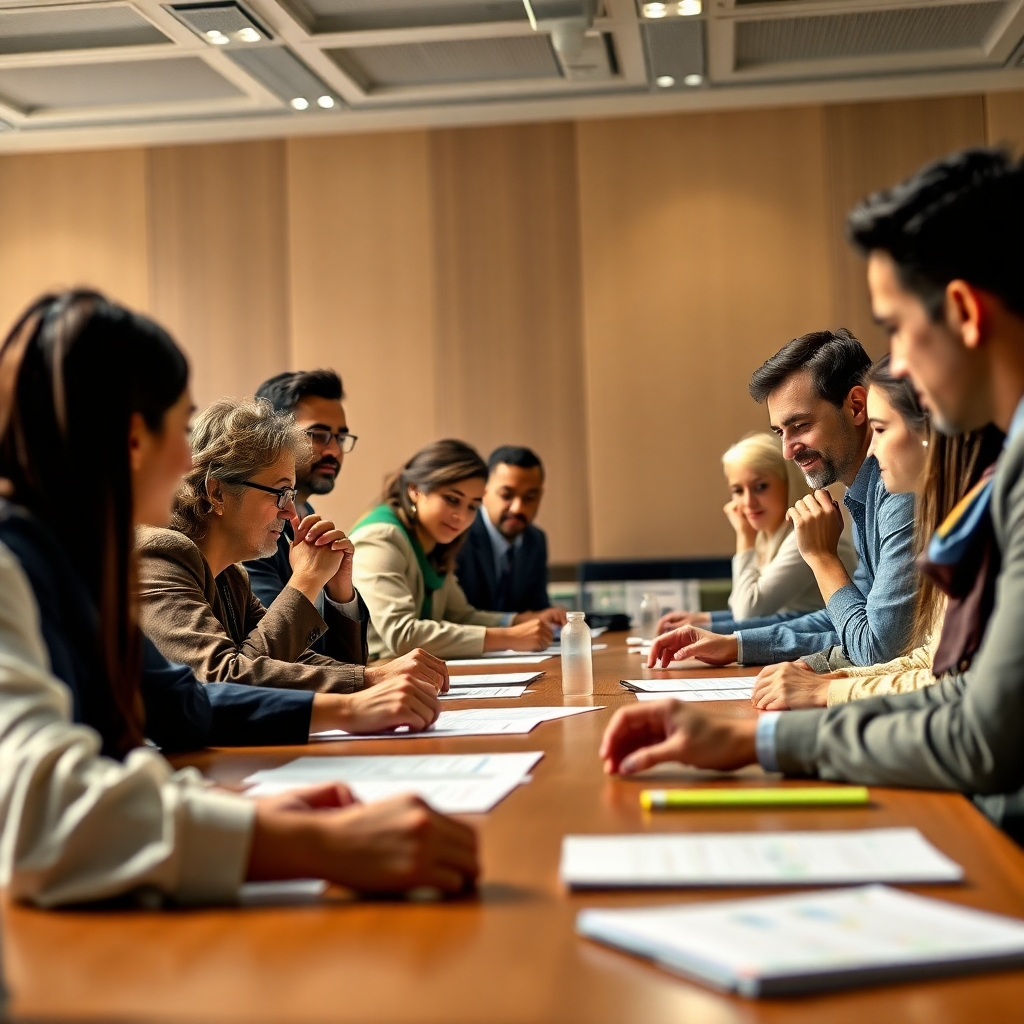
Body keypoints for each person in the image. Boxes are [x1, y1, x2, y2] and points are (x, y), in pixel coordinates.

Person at [0, 291, 478, 908]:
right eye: (181, 427)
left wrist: (235, 809)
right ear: (131, 439)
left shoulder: (80, 561)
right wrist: (306, 843)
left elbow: (181, 702)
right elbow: (43, 818)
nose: (186, 460)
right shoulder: (18, 558)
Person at [600, 147, 1024, 841]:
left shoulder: (965, 480)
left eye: (896, 328)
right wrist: (742, 651)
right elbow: (951, 684)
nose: (901, 368)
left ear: (963, 312)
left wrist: (765, 741)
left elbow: (968, 721)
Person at [138, 397, 447, 733]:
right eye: (281, 493)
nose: (290, 513)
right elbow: (222, 678)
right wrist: (308, 579)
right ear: (217, 493)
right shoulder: (160, 554)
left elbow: (289, 666)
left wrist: (338, 590)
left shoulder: (230, 575)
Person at [648, 328, 917, 669]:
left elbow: (876, 648)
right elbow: (845, 621)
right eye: (780, 433)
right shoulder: (865, 494)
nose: (788, 452)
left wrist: (821, 557)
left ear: (856, 406)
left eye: (801, 426)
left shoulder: (900, 493)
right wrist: (736, 644)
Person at [350, 440, 564, 660]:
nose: (461, 516)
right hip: (371, 678)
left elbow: (460, 615)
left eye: (472, 506)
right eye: (452, 500)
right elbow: (403, 634)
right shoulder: (381, 537)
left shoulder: (433, 541)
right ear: (414, 489)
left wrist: (518, 621)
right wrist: (508, 637)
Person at [657, 433, 857, 633]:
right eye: (738, 491)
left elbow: (748, 612)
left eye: (760, 487)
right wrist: (703, 619)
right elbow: (741, 607)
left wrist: (744, 538)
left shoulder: (806, 534)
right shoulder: (769, 536)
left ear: (787, 483)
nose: (748, 503)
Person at [245, 369, 358, 656]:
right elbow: (278, 652)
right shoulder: (249, 528)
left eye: (340, 438)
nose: (334, 450)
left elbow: (349, 659)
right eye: (319, 435)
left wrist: (340, 595)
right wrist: (311, 575)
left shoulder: (308, 516)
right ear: (273, 437)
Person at [455, 446, 565, 623]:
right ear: (483, 491)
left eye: (529, 497)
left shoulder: (535, 540)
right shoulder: (458, 534)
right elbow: (455, 616)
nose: (518, 508)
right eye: (506, 495)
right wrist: (515, 622)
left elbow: (538, 608)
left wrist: (551, 617)